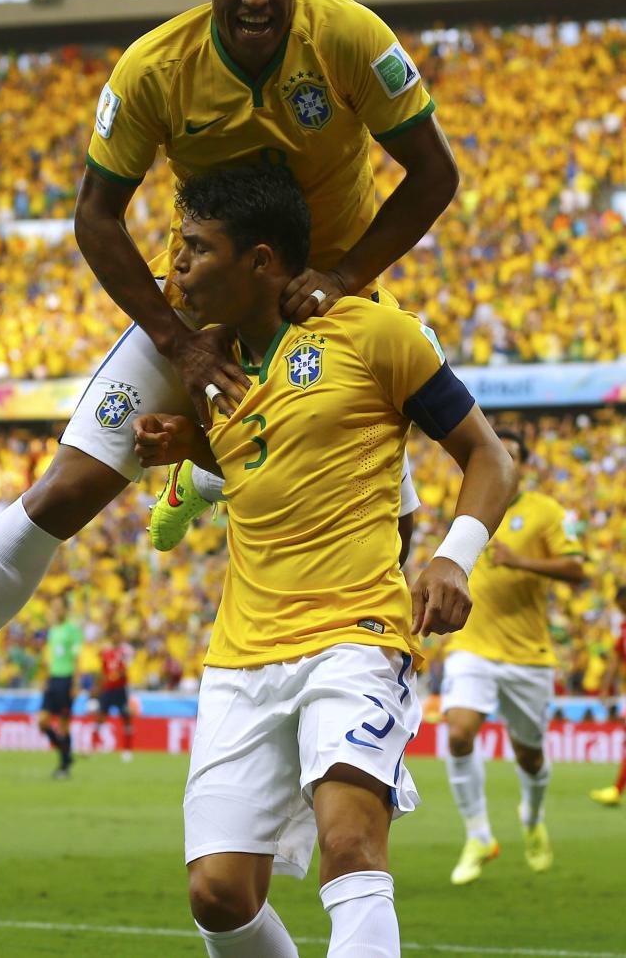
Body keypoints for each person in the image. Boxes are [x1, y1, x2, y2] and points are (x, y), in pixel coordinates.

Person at [0, 0, 460, 782]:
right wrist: (178, 339)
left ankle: (229, 518)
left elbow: (434, 175)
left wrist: (342, 276)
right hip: (203, 314)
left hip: (320, 312)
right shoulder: (152, 69)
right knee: (63, 493)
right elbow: (96, 217)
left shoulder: (355, 41)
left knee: (391, 530)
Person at [129, 164, 514, 958]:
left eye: (196, 250)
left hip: (355, 635)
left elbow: (490, 456)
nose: (177, 270)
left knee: (351, 843)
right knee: (218, 894)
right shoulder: (209, 376)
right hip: (242, 653)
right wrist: (191, 444)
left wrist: (454, 557)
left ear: (262, 261)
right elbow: (271, 459)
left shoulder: (375, 334)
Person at [440, 430, 586, 885]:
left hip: (528, 654)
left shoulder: (547, 512)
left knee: (529, 757)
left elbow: (577, 569)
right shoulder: (468, 507)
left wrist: (520, 561)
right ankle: (479, 834)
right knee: (459, 733)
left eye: (510, 455)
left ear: (521, 464)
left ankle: (532, 817)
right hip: (473, 646)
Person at [37, 595, 83, 780]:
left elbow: (78, 659)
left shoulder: (72, 630)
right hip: (53, 680)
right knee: (42, 722)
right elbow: (51, 658)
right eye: (53, 607)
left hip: (66, 680)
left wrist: (76, 684)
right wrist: (45, 679)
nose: (56, 611)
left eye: (59, 607)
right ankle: (67, 755)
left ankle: (64, 765)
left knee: (64, 725)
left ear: (65, 609)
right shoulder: (53, 631)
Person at [589, 584, 626, 807]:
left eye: (621, 605)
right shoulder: (623, 627)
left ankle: (617, 789)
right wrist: (605, 687)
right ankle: (616, 789)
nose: (620, 610)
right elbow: (615, 658)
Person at [89, 620, 135, 762]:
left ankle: (127, 750)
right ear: (111, 636)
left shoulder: (125, 651)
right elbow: (102, 671)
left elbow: (125, 670)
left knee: (126, 718)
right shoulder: (105, 653)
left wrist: (117, 674)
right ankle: (94, 748)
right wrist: (97, 686)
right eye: (113, 634)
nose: (115, 637)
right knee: (101, 717)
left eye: (117, 634)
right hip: (107, 689)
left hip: (120, 689)